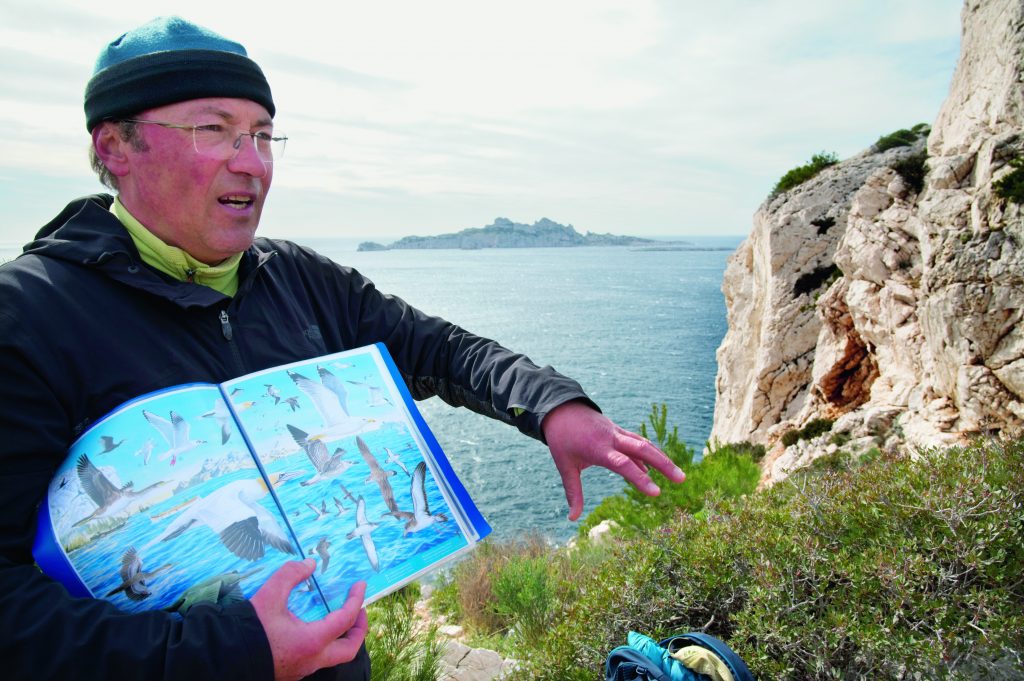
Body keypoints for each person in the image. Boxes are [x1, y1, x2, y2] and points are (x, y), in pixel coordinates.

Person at [0, 16, 684, 681]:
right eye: (214, 130)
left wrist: (552, 406)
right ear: (115, 147)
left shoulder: (297, 278)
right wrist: (237, 651)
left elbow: (438, 349)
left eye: (263, 135)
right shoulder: (25, 315)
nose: (252, 163)